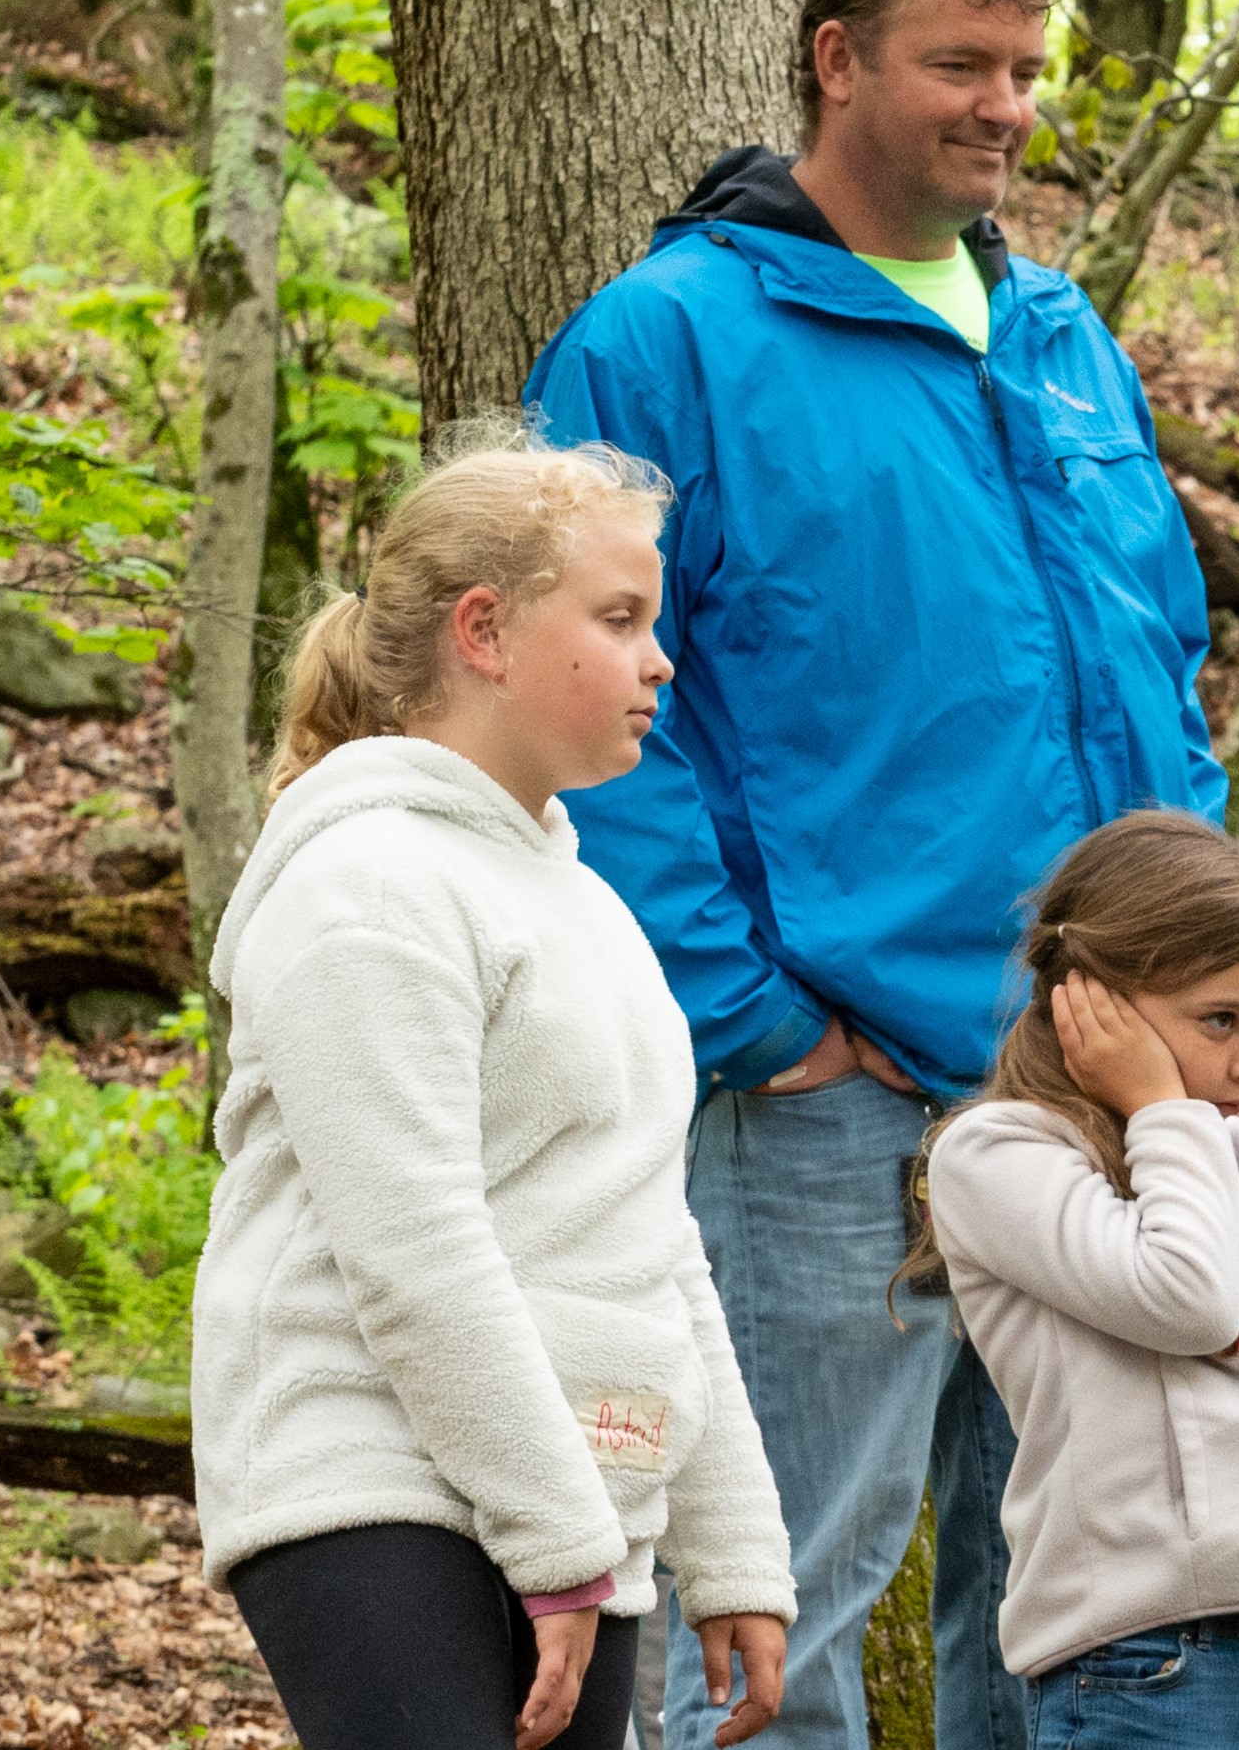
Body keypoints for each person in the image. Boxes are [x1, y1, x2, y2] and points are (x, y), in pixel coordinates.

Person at [526, 0, 1231, 1749]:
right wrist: (752, 1024)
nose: (1003, 107)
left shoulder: (1060, 334)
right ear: (838, 62)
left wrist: (1201, 967)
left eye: (1024, 71)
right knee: (769, 1613)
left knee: (1071, 1611)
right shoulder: (664, 341)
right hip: (837, 1106)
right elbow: (600, 717)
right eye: (958, 65)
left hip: (1092, 1095)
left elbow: (1158, 658)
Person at [194, 429, 798, 1750]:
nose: (660, 658)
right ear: (486, 628)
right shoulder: (366, 883)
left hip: (576, 1496)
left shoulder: (587, 905)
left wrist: (734, 1546)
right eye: (623, 616)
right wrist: (559, 1541)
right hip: (378, 1484)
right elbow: (412, 1244)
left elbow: (657, 1240)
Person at [925, 811, 1239, 1750]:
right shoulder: (997, 1155)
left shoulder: (1218, 1143)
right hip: (1140, 1664)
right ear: (1096, 1002)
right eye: (1221, 1020)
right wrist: (1166, 1108)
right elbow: (1186, 1298)